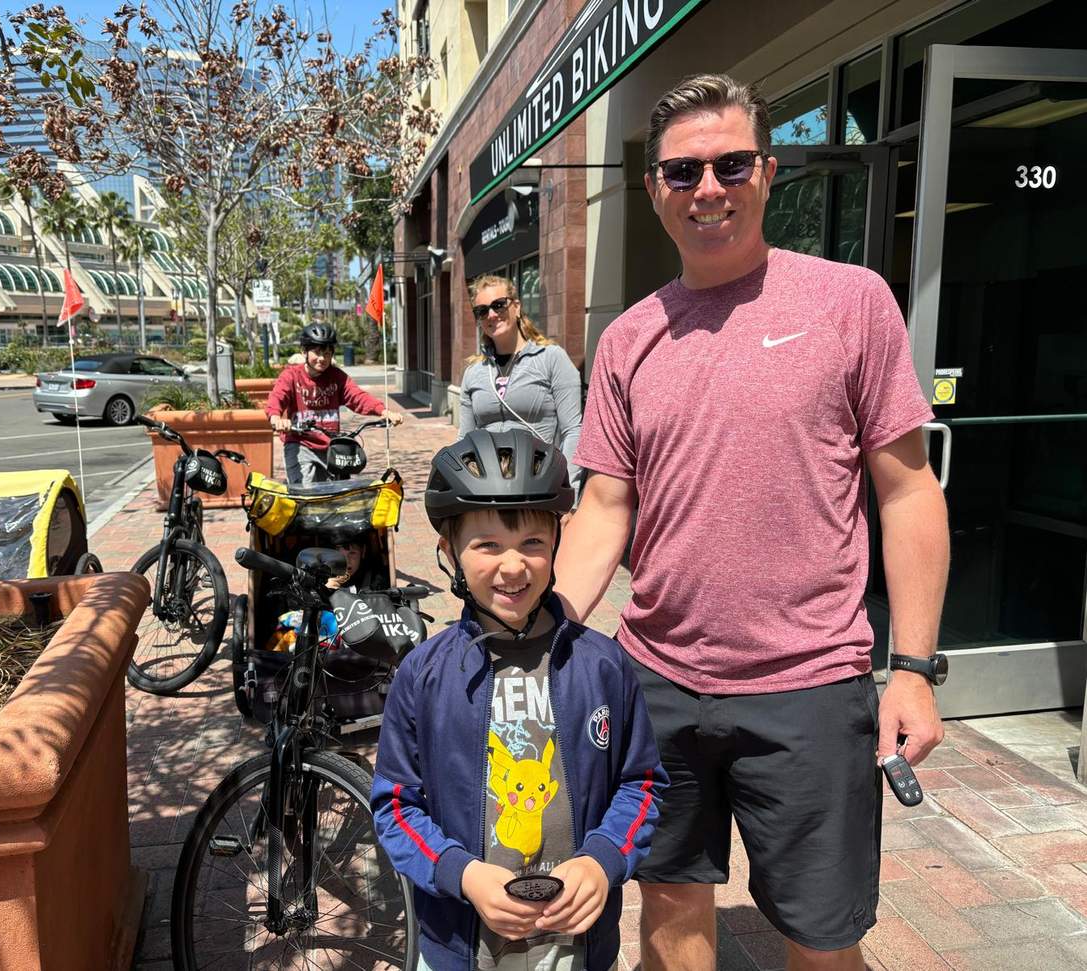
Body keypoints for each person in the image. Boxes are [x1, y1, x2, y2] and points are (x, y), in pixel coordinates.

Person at [554, 74, 950, 971]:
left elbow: (907, 490)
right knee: (667, 905)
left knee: (821, 935)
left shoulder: (849, 302)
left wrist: (915, 668)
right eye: (682, 171)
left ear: (766, 174)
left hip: (809, 682)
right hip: (654, 680)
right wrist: (540, 638)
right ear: (653, 188)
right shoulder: (627, 340)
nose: (707, 188)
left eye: (731, 164)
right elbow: (605, 506)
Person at [371, 429, 668, 971]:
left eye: (532, 542)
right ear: (449, 553)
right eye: (487, 545)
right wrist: (459, 872)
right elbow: (395, 804)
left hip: (574, 948)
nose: (513, 566)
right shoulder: (423, 674)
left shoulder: (602, 665)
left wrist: (603, 862)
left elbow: (641, 783)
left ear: (557, 544)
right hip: (460, 946)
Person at [458, 275, 584, 495]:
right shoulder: (474, 372)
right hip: (487, 488)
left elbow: (573, 431)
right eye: (482, 310)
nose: (492, 315)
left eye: (499, 305)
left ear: (516, 307)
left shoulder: (551, 359)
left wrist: (568, 495)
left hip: (538, 484)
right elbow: (464, 440)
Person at [265, 321, 402, 485]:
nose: (322, 358)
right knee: (304, 493)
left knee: (337, 495)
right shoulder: (291, 376)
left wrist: (384, 412)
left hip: (331, 446)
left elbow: (357, 396)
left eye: (328, 353)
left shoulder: (337, 377)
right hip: (300, 444)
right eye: (317, 352)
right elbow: (277, 398)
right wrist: (276, 419)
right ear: (304, 352)